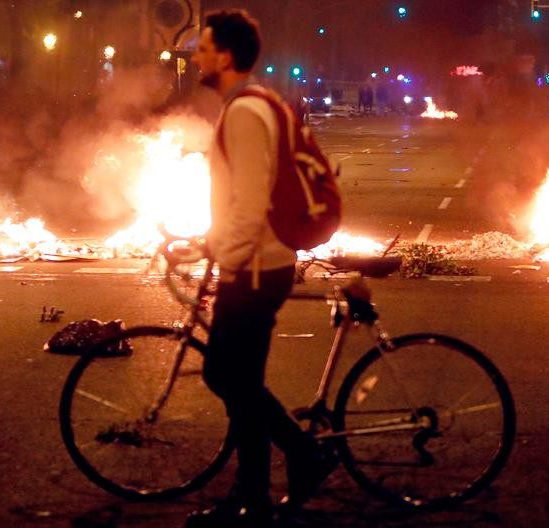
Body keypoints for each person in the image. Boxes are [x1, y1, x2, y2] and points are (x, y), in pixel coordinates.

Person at [187, 9, 338, 528]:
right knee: (242, 382)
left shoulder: (246, 113)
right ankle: (251, 495)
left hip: (254, 270)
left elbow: (251, 204)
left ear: (225, 56)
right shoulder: (258, 103)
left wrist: (226, 257)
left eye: (203, 48)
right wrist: (209, 242)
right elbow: (242, 201)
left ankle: (300, 457)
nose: (196, 55)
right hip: (257, 263)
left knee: (226, 376)